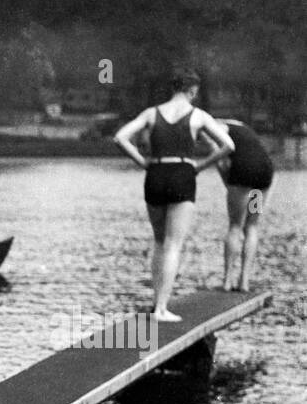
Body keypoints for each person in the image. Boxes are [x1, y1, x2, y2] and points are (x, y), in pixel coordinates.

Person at [113, 70, 234, 321]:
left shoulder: (151, 113)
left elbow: (120, 137)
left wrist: (142, 162)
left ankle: (156, 303)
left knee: (159, 242)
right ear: (193, 91)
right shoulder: (198, 116)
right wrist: (200, 166)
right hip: (182, 174)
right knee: (173, 245)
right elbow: (228, 146)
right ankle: (161, 309)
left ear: (173, 89)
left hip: (155, 174)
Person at [211, 119, 274, 291]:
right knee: (252, 225)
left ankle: (227, 280)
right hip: (264, 172)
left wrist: (229, 184)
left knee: (235, 226)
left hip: (243, 172)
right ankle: (244, 281)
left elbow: (218, 160)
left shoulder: (214, 127)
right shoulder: (241, 126)